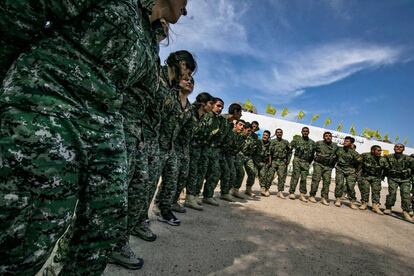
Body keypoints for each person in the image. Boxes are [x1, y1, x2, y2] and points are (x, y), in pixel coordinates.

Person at [0, 0, 188, 274]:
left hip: (104, 123)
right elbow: (22, 12)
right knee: (34, 227)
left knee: (107, 222)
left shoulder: (150, 41)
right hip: (50, 102)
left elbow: (153, 90)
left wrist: (181, 105)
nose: (186, 8)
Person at [154, 51, 196, 226]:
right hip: (156, 142)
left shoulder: (189, 107)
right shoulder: (169, 91)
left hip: (170, 147)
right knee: (149, 181)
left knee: (172, 178)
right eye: (187, 78)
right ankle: (143, 215)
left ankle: (165, 209)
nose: (188, 80)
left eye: (191, 81)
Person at [184, 92, 214, 210]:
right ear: (202, 103)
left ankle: (189, 198)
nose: (212, 106)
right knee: (177, 174)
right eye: (210, 103)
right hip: (182, 147)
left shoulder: (201, 116)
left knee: (191, 174)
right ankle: (161, 204)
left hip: (193, 148)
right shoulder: (189, 112)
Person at [196, 97, 225, 206]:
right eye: (218, 105)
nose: (220, 108)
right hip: (203, 148)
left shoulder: (218, 120)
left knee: (215, 173)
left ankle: (208, 195)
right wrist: (213, 133)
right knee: (201, 173)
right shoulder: (206, 116)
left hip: (213, 150)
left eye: (221, 107)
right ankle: (194, 195)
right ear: (212, 104)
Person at [384, 144, 414, 221]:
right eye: (396, 147)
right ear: (394, 148)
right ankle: (388, 207)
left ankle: (405, 211)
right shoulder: (388, 157)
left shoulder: (409, 159)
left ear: (403, 149)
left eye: (400, 147)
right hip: (393, 178)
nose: (398, 148)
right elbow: (384, 166)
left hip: (405, 179)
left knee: (406, 195)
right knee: (392, 193)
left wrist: (408, 172)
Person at [219, 104, 244, 200]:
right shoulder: (222, 119)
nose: (241, 115)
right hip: (214, 149)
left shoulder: (230, 123)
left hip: (224, 152)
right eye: (240, 112)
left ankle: (225, 193)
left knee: (230, 172)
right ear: (235, 112)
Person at [309, 132, 338, 205]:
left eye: (329, 136)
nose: (328, 137)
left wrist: (333, 164)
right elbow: (311, 151)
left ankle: (324, 198)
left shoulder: (335, 145)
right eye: (326, 136)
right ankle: (312, 196)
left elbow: (337, 155)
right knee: (316, 180)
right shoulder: (318, 143)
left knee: (327, 182)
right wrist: (313, 160)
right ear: (323, 137)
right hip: (319, 164)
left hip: (328, 166)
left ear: (331, 137)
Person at [357, 145, 387, 215]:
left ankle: (375, 206)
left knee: (376, 192)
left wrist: (382, 177)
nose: (380, 152)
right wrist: (358, 173)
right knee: (365, 190)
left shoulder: (382, 159)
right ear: (373, 150)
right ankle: (364, 203)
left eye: (380, 151)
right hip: (365, 176)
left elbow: (386, 169)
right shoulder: (365, 155)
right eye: (378, 150)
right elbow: (357, 163)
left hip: (376, 178)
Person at [288, 127, 315, 202]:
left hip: (306, 162)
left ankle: (302, 194)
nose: (305, 132)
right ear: (301, 132)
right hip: (297, 160)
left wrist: (309, 162)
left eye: (306, 131)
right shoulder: (296, 140)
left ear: (308, 132)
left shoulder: (312, 143)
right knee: (295, 177)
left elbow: (313, 154)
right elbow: (289, 148)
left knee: (304, 179)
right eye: (304, 131)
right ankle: (292, 192)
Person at [334, 136, 360, 209]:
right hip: (340, 169)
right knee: (339, 184)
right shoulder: (339, 150)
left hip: (350, 170)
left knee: (350, 186)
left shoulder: (355, 153)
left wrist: (357, 172)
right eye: (345, 140)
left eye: (347, 141)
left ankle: (352, 202)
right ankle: (338, 199)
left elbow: (359, 163)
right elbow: (334, 157)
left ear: (351, 143)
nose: (345, 142)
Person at [240, 123, 262, 198]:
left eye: (255, 127)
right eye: (253, 126)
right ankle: (234, 189)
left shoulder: (256, 137)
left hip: (249, 157)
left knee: (252, 173)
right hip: (240, 154)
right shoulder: (243, 133)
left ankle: (248, 189)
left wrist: (256, 160)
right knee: (239, 172)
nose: (254, 128)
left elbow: (257, 150)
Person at [269, 129, 292, 199]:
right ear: (275, 133)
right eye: (278, 132)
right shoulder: (272, 141)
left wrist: (288, 160)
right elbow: (269, 152)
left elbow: (290, 152)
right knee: (270, 175)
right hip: (274, 161)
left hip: (282, 162)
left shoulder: (286, 142)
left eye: (280, 132)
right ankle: (266, 189)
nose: (279, 133)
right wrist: (269, 161)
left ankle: (280, 192)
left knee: (281, 177)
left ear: (282, 133)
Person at [230, 120, 248, 199]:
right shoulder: (229, 133)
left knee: (241, 172)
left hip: (234, 156)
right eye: (240, 125)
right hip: (225, 154)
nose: (242, 127)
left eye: (243, 126)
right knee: (231, 173)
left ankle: (235, 190)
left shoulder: (240, 137)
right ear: (235, 125)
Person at [258, 130, 273, 197]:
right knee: (251, 175)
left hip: (264, 162)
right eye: (264, 135)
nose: (264, 136)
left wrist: (269, 162)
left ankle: (263, 190)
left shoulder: (270, 144)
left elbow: (270, 154)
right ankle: (248, 189)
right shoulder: (258, 142)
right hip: (256, 161)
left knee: (263, 176)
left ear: (269, 137)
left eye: (266, 135)